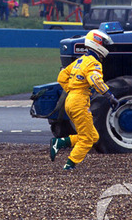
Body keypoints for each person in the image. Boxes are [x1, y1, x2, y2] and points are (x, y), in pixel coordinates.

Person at [50, 29, 119, 170]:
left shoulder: (80, 61)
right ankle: (69, 165)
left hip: (71, 100)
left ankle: (60, 143)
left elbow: (61, 77)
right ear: (98, 44)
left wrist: (72, 89)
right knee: (87, 139)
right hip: (80, 102)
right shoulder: (94, 63)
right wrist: (110, 96)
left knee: (93, 136)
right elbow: (95, 80)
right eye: (105, 44)